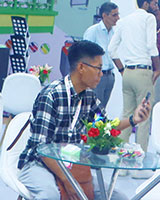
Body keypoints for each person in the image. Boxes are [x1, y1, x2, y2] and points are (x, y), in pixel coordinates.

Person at [17, 39, 151, 200]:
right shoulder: (51, 95)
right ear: (81, 67)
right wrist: (68, 180)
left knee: (117, 197)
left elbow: (105, 128)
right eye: (98, 69)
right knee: (50, 196)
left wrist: (133, 120)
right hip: (39, 164)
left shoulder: (89, 96)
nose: (101, 74)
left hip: (71, 165)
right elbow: (41, 147)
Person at [108, 0, 160, 151]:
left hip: (128, 73)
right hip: (143, 72)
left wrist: (122, 70)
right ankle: (140, 158)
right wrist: (158, 67)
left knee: (127, 116)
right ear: (146, 4)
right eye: (154, 3)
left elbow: (111, 50)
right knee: (143, 118)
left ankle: (119, 156)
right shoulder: (149, 18)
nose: (156, 7)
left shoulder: (123, 21)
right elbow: (151, 45)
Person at [82, 2, 120, 106]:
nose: (118, 18)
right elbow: (85, 55)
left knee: (102, 109)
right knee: (93, 107)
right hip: (96, 75)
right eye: (114, 15)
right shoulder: (93, 31)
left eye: (118, 14)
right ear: (104, 15)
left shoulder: (114, 32)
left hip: (109, 75)